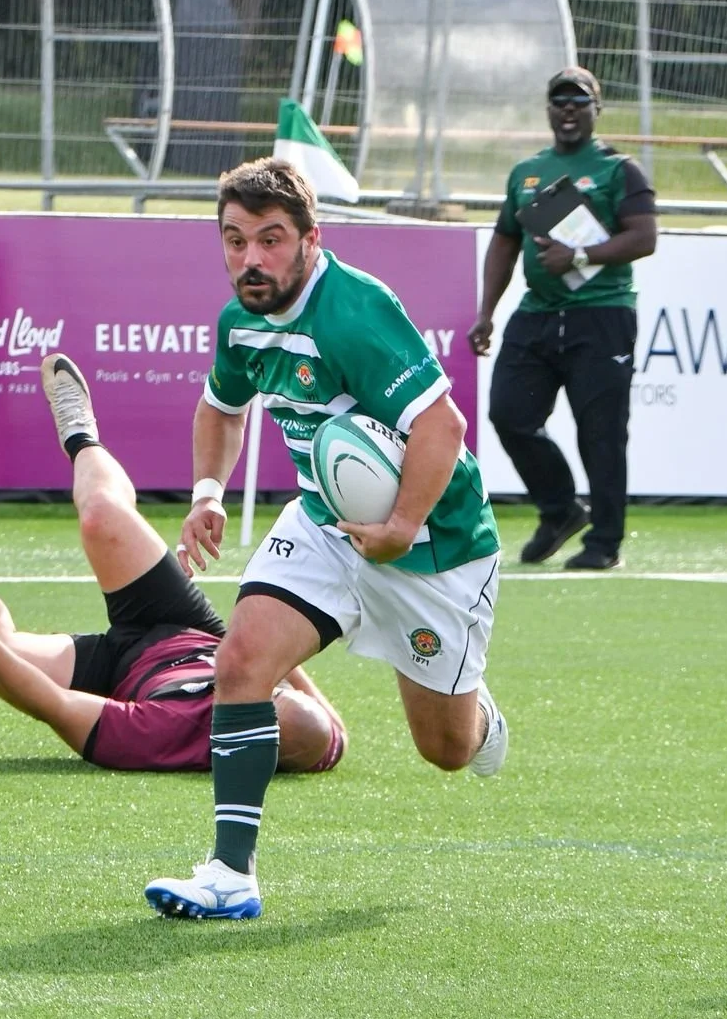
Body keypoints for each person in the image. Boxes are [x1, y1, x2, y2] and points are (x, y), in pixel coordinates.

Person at [148, 157, 507, 921]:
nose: (251, 259)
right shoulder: (239, 319)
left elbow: (443, 428)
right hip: (322, 523)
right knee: (240, 658)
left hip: (433, 544)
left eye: (271, 240)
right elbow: (220, 408)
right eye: (234, 240)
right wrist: (207, 494)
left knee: (445, 751)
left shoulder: (354, 311)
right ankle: (229, 874)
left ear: (312, 238)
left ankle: (478, 716)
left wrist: (401, 527)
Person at [0, 354, 344, 775]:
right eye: (273, 690)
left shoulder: (168, 735)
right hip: (188, 626)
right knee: (101, 517)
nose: (261, 688)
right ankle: (80, 434)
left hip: (119, 672)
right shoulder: (312, 734)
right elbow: (329, 728)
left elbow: (56, 706)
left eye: (263, 699)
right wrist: (268, 655)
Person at [469, 66, 657, 571]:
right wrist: (486, 311)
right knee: (509, 415)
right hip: (537, 313)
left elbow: (644, 238)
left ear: (597, 109)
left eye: (579, 100)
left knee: (601, 431)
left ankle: (605, 543)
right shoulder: (526, 172)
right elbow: (506, 240)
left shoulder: (619, 169)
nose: (568, 109)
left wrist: (580, 255)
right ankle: (560, 510)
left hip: (601, 315)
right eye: (560, 101)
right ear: (549, 109)